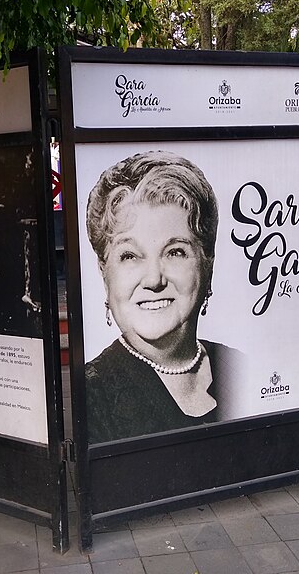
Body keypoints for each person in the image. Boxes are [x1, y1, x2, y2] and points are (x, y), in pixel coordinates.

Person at [84, 151, 242, 443]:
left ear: (208, 262)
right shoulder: (93, 395)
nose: (154, 279)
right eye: (130, 255)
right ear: (104, 272)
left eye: (175, 251)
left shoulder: (239, 366)